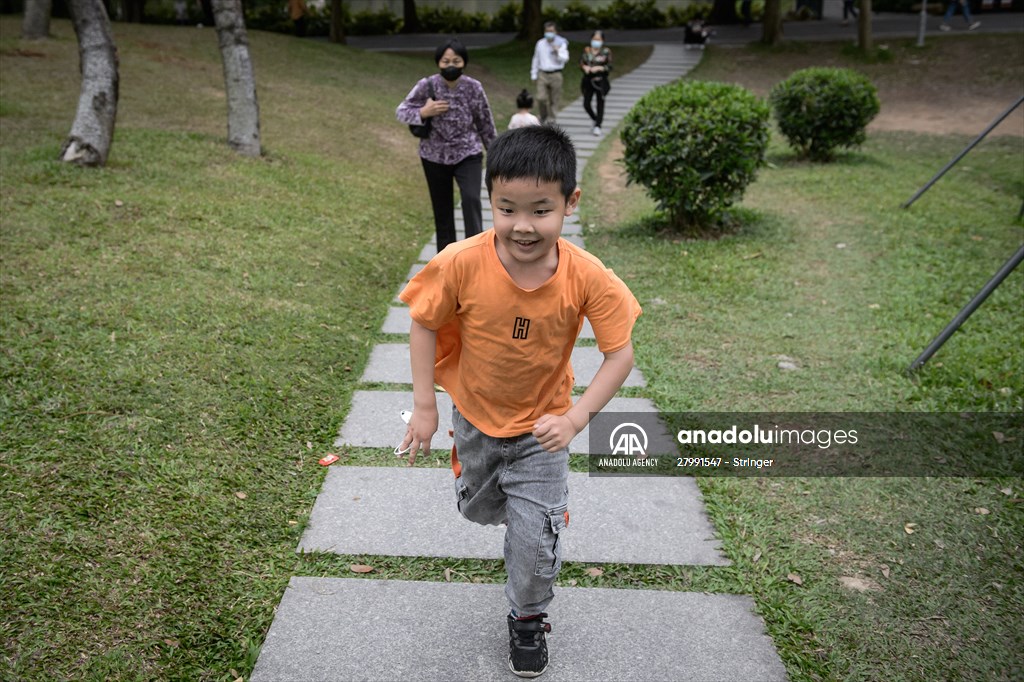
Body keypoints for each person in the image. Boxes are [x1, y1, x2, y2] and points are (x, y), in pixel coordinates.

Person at [398, 125, 641, 678]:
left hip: (544, 430)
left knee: (533, 544)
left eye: (541, 209)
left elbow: (620, 354)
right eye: (507, 209)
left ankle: (528, 616)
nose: (523, 226)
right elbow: (422, 323)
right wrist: (426, 407)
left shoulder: (586, 275)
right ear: (490, 202)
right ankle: (513, 504)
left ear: (570, 203)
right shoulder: (461, 262)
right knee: (478, 509)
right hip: (477, 419)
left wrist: (577, 418)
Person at [397, 39, 498, 254]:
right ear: (438, 63)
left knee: (471, 199)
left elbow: (485, 122)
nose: (450, 65)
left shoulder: (474, 87)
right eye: (445, 61)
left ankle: (475, 254)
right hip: (433, 157)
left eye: (456, 60)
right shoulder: (427, 85)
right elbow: (401, 111)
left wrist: (497, 155)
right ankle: (447, 261)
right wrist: (424, 112)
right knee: (442, 211)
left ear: (464, 62)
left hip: (467, 153)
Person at [530, 21, 570, 125]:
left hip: (556, 74)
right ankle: (543, 116)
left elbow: (565, 59)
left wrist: (558, 51)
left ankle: (552, 119)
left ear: (555, 32)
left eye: (551, 31)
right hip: (543, 74)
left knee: (554, 99)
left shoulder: (561, 43)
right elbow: (536, 58)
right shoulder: (540, 43)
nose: (549, 33)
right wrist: (533, 74)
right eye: (547, 31)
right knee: (541, 97)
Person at [579, 30, 612, 136]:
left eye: (598, 39)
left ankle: (598, 125)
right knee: (586, 104)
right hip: (588, 80)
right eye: (594, 39)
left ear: (602, 41)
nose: (596, 41)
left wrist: (600, 68)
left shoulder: (606, 52)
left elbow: (610, 66)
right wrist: (585, 68)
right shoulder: (587, 50)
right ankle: (595, 119)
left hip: (600, 81)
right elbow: (581, 63)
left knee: (600, 104)